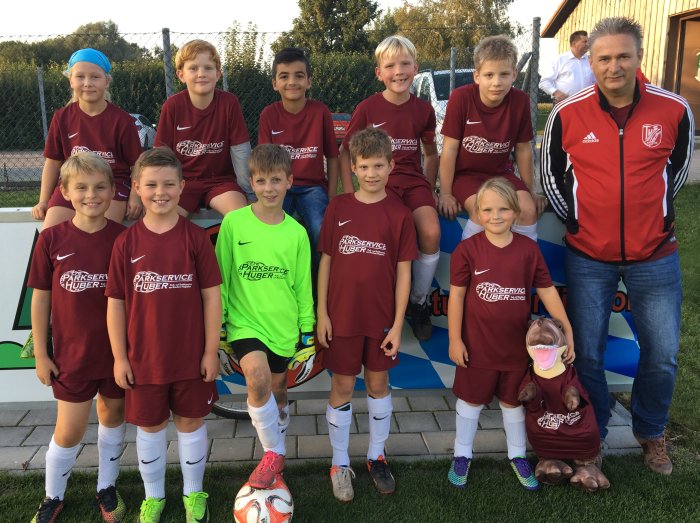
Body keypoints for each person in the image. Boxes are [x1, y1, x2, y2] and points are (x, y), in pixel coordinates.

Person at [541, 17, 694, 475]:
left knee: (662, 353)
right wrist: (578, 220)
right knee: (587, 354)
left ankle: (651, 431)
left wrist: (658, 218)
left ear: (639, 57)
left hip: (655, 256)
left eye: (623, 56)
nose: (614, 66)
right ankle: (594, 435)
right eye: (604, 58)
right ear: (590, 62)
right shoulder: (567, 113)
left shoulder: (674, 109)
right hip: (589, 256)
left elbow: (676, 171)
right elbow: (551, 175)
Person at [106, 147, 222, 522]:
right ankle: (153, 497)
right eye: (152, 184)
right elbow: (116, 304)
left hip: (190, 355)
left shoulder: (195, 238)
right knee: (151, 428)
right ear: (137, 187)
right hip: (144, 358)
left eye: (169, 184)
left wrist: (210, 351)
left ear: (182, 186)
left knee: (191, 423)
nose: (161, 192)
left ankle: (193, 493)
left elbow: (212, 298)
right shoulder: (126, 243)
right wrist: (120, 357)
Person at [446, 177, 574, 491]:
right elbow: (457, 297)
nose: (496, 216)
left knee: (513, 403)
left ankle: (517, 455)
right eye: (488, 210)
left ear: (516, 212)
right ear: (478, 213)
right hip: (476, 347)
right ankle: (462, 454)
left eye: (503, 209)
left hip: (516, 349)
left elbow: (547, 292)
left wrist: (567, 330)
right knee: (470, 402)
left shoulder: (528, 250)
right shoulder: (467, 250)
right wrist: (455, 339)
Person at [318, 127, 417, 501]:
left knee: (378, 385)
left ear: (391, 166)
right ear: (353, 169)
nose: (372, 173)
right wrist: (322, 312)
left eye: (378, 165)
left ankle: (376, 456)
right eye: (364, 166)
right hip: (341, 317)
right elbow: (326, 261)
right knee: (342, 387)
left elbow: (404, 272)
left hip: (381, 321)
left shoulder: (400, 214)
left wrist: (398, 323)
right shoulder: (339, 207)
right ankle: (339, 462)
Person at [28, 152, 127, 523]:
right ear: (65, 193)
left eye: (100, 187)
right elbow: (41, 299)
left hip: (116, 354)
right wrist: (42, 354)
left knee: (113, 416)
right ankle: (53, 495)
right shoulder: (52, 239)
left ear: (113, 191)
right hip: (72, 355)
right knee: (69, 430)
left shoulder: (123, 239)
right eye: (81, 188)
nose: (91, 195)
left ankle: (107, 486)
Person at [215, 144, 315, 490]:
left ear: (289, 181)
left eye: (276, 180)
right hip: (245, 324)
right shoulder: (234, 223)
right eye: (261, 181)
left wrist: (307, 334)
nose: (269, 188)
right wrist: (221, 329)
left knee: (278, 390)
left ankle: (276, 456)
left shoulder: (297, 232)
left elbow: (303, 287)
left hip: (283, 327)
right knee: (257, 380)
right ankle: (274, 452)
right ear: (251, 182)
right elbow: (221, 279)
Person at [339, 35, 439, 342]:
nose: (398, 71)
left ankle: (418, 303)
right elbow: (345, 152)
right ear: (378, 72)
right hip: (381, 187)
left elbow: (431, 153)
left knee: (431, 232)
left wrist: (431, 188)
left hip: (414, 183)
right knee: (385, 238)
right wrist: (349, 195)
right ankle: (379, 306)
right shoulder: (368, 108)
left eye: (405, 64)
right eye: (390, 66)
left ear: (415, 68)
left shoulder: (423, 110)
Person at [438, 35, 544, 245]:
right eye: (489, 75)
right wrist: (446, 193)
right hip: (466, 176)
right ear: (477, 76)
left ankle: (522, 262)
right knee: (482, 212)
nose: (497, 82)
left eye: (504, 74)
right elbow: (449, 149)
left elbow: (523, 149)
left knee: (527, 210)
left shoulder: (520, 101)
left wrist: (530, 191)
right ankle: (472, 262)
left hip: (501, 174)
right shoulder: (461, 98)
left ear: (514, 74)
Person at [31, 48, 143, 228]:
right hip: (73, 185)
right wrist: (43, 200)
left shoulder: (122, 120)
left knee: (99, 234)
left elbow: (137, 164)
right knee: (50, 235)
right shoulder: (62, 117)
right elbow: (52, 163)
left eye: (95, 77)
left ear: (106, 81)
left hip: (111, 186)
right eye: (80, 77)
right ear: (71, 80)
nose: (87, 83)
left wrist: (135, 197)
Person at [258, 47, 340, 292]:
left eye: (299, 75)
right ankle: (275, 288)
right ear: (275, 83)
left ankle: (318, 289)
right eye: (284, 76)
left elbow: (333, 156)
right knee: (270, 231)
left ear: (309, 81)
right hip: (280, 188)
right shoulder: (269, 114)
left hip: (312, 187)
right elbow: (264, 162)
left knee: (320, 230)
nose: (292, 82)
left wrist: (332, 196)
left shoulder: (320, 112)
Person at [155, 39, 251, 216]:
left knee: (240, 217)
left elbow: (240, 150)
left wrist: (249, 192)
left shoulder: (229, 103)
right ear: (181, 75)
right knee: (163, 218)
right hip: (182, 182)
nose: (201, 74)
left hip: (221, 182)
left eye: (208, 68)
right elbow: (162, 153)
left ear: (218, 74)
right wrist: (163, 187)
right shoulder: (173, 106)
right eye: (193, 68)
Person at [539, 30, 595, 103]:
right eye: (585, 42)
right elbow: (544, 82)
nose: (588, 44)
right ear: (574, 44)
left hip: (588, 104)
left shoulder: (591, 60)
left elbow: (596, 81)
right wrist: (555, 92)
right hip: (565, 104)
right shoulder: (560, 60)